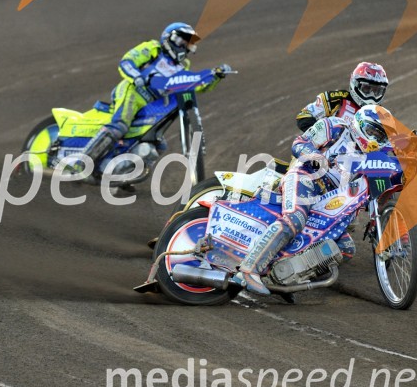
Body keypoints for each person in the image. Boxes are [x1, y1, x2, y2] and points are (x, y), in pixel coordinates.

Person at [232, 105, 394, 295]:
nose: (375, 140)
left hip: (330, 200)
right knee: (295, 218)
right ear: (359, 123)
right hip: (305, 177)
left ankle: (284, 278)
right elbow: (299, 142)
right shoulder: (336, 126)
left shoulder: (376, 154)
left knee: (345, 248)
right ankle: (249, 269)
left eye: (380, 136)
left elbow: (399, 152)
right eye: (372, 131)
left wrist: (415, 142)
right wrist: (315, 155)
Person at [75, 22, 230, 169]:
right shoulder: (153, 48)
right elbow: (126, 62)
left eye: (188, 43)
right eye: (182, 41)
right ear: (170, 38)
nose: (185, 47)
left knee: (156, 143)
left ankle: (123, 174)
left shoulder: (183, 67)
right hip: (132, 92)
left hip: (151, 106)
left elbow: (194, 86)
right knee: (119, 126)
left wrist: (215, 76)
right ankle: (82, 163)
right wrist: (136, 76)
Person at [295, 62, 389, 131]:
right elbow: (303, 115)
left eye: (377, 91)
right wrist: (320, 131)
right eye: (367, 89)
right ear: (355, 84)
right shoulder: (334, 99)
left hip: (360, 157)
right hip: (322, 153)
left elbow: (396, 142)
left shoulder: (381, 115)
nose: (372, 96)